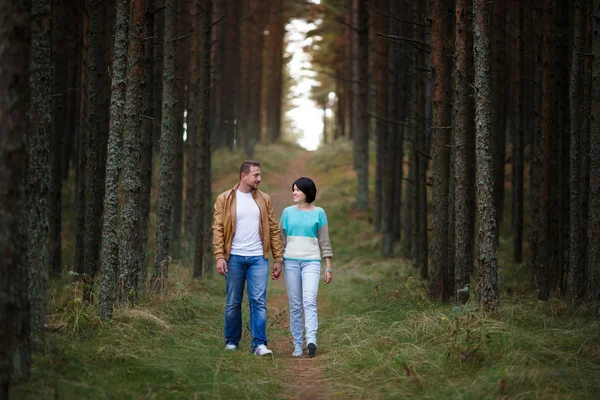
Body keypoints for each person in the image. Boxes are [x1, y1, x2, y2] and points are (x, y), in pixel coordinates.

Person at [212, 160, 284, 356]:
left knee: (258, 301)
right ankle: (232, 342)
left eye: (260, 175)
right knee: (233, 301)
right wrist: (220, 256)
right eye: (256, 175)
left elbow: (273, 229)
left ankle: (259, 344)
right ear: (243, 176)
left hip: (258, 259)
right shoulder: (225, 199)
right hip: (233, 257)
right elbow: (218, 228)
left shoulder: (264, 199)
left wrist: (278, 258)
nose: (259, 179)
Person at [279, 177, 333, 358]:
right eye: (293, 189)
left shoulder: (319, 213)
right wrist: (278, 262)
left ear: (307, 192)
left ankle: (311, 341)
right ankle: (297, 344)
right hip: (291, 263)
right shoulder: (287, 213)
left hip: (312, 262)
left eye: (298, 190)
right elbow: (281, 240)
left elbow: (324, 241)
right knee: (295, 305)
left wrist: (328, 267)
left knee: (309, 301)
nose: (294, 192)